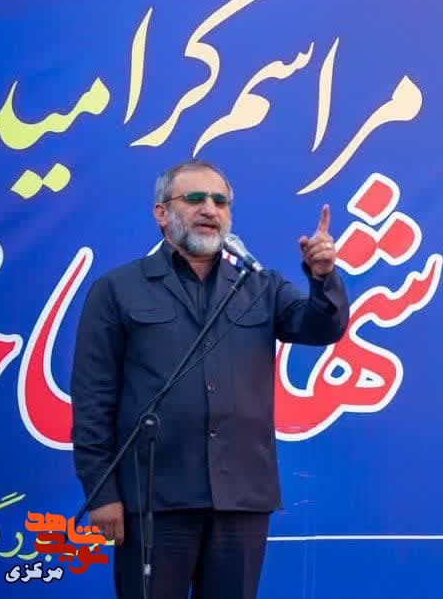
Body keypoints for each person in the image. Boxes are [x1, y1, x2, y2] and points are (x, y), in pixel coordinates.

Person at [70, 160, 349, 599]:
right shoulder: (118, 289)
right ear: (161, 213)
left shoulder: (261, 286)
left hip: (240, 501)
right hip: (154, 501)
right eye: (195, 198)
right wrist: (102, 493)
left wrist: (322, 277)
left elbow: (322, 327)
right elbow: (92, 399)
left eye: (220, 201)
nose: (210, 209)